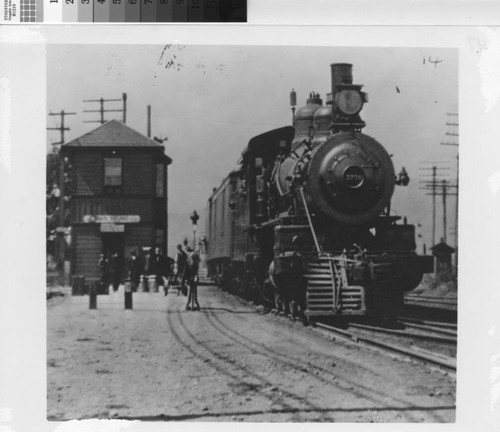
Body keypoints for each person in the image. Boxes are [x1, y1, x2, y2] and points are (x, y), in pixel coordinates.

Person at [185, 247, 201, 311]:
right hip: (189, 279)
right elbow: (186, 272)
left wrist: (196, 277)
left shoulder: (195, 265)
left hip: (193, 279)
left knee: (194, 292)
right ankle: (188, 304)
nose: (191, 259)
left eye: (192, 258)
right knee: (189, 293)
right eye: (191, 258)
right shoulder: (188, 265)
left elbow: (196, 272)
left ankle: (195, 304)